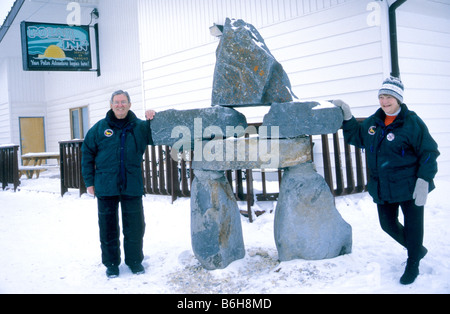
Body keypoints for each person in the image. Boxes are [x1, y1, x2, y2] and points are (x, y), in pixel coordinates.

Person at [333, 76, 439, 285]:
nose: (384, 101)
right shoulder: (373, 122)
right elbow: (357, 137)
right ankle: (418, 250)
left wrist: (424, 179)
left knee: (414, 226)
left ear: (398, 99)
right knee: (387, 225)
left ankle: (413, 263)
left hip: (411, 186)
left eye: (389, 97)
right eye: (381, 97)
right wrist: (347, 117)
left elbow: (429, 151)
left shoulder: (412, 122)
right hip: (383, 187)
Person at [81, 90, 156, 278]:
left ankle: (134, 261)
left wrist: (152, 118)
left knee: (135, 227)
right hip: (106, 186)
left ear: (130, 104)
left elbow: (157, 134)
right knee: (108, 228)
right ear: (111, 105)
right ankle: (112, 264)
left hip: (132, 185)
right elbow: (87, 154)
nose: (120, 105)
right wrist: (89, 182)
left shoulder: (140, 127)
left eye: (123, 102)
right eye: (116, 102)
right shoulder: (99, 128)